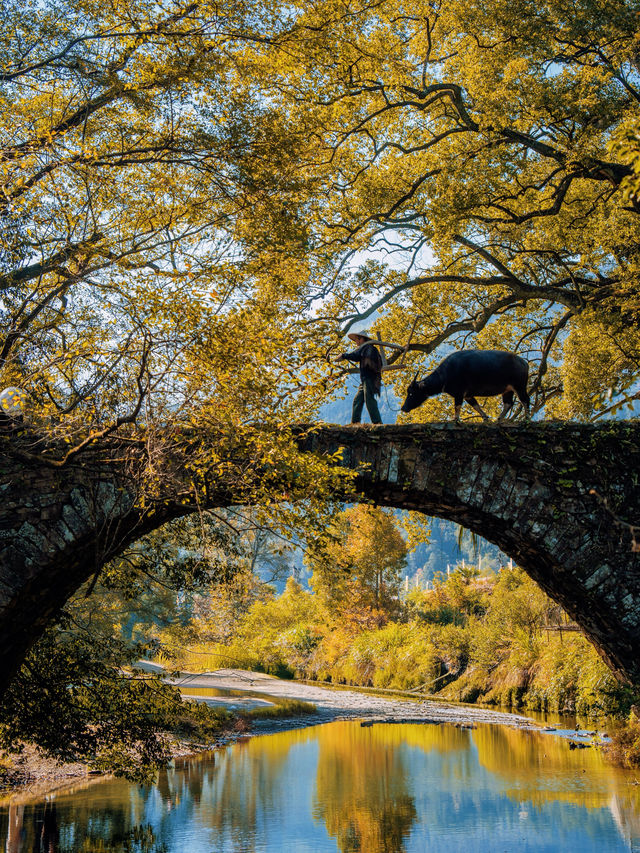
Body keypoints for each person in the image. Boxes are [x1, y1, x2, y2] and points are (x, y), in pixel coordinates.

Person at [336, 331, 383, 424]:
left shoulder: (369, 348)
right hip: (365, 379)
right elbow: (357, 356)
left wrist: (344, 355)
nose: (356, 342)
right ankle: (355, 423)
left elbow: (356, 356)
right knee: (357, 400)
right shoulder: (364, 349)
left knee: (369, 400)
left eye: (357, 340)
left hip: (371, 378)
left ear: (361, 339)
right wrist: (345, 356)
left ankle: (377, 423)